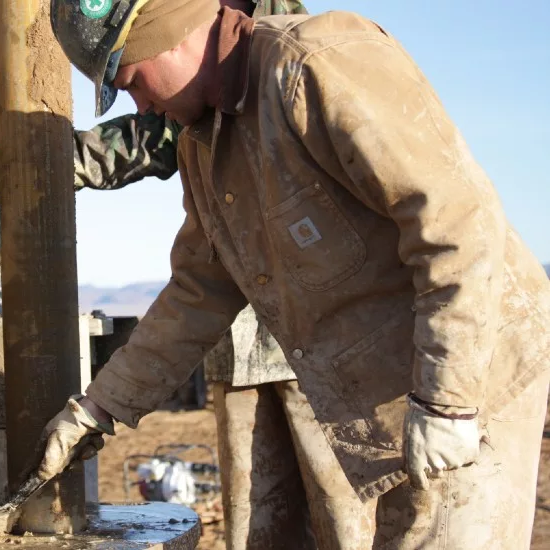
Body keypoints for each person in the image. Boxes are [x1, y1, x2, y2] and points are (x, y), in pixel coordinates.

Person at [38, 0, 550, 547]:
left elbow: (456, 222)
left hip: (472, 375)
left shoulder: (314, 65)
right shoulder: (203, 145)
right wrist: (98, 408)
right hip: (394, 395)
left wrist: (448, 401)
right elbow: (199, 290)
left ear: (170, 35)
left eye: (132, 81)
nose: (140, 105)